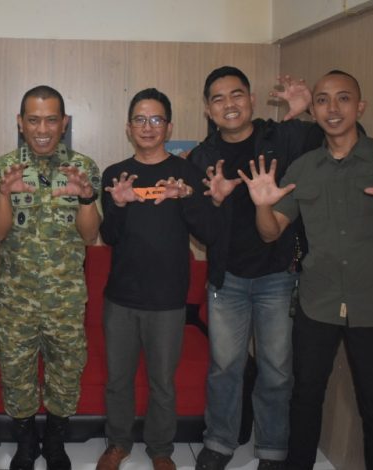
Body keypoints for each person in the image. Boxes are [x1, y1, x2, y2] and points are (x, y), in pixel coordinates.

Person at [239, 70, 373, 470]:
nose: (332, 108)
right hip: (318, 303)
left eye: (343, 98)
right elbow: (271, 232)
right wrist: (262, 205)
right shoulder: (303, 168)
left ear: (360, 107)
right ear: (314, 109)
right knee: (305, 399)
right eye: (322, 100)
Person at [187, 66, 317, 470]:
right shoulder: (202, 158)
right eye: (219, 98)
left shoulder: (282, 136)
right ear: (208, 110)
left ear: (252, 99)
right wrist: (215, 202)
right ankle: (219, 442)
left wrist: (307, 110)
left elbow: (337, 140)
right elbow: (199, 229)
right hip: (226, 278)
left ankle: (273, 449)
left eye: (237, 94)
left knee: (277, 370)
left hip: (277, 274)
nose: (229, 104)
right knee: (225, 367)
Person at [95, 88, 221, 470]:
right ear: (128, 127)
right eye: (140, 119)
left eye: (155, 119)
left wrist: (187, 198)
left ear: (168, 126)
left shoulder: (187, 173)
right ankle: (118, 444)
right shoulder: (115, 174)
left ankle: (161, 449)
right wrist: (118, 204)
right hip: (121, 297)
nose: (147, 127)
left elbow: (207, 235)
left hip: (167, 299)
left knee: (162, 382)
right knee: (118, 380)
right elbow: (110, 236)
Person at [0, 85, 101, 470]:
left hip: (66, 300)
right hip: (16, 299)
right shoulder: (4, 167)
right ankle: (25, 442)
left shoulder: (83, 167)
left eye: (51, 120)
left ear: (64, 122)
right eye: (33, 120)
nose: (42, 129)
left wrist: (86, 198)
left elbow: (90, 236)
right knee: (16, 373)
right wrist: (4, 194)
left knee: (66, 373)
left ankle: (54, 441)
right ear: (20, 123)